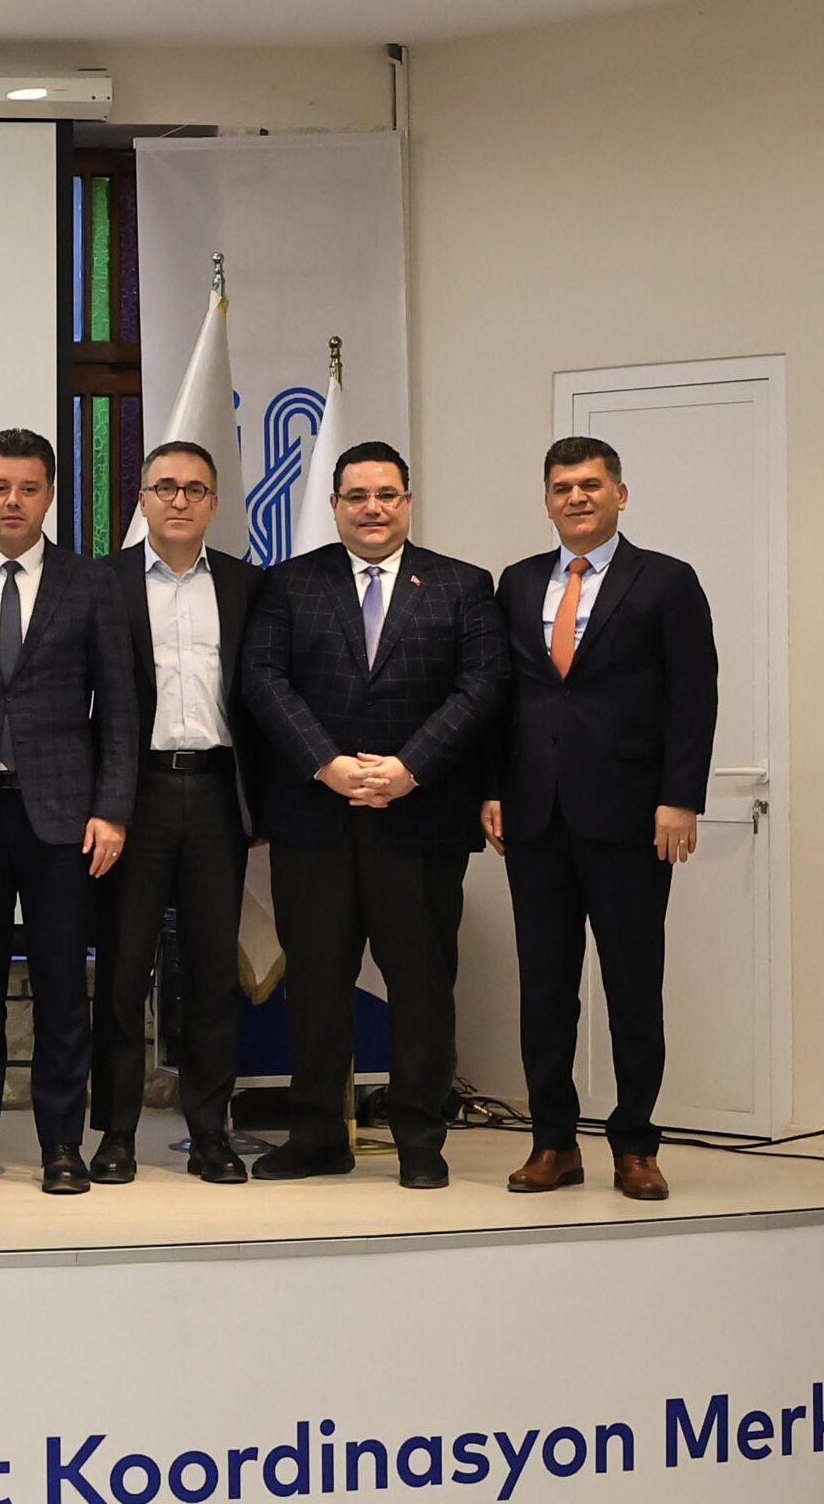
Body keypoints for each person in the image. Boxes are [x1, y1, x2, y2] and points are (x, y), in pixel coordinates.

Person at [240, 440, 505, 1190]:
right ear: (334, 505)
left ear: (408, 501)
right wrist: (326, 763)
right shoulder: (288, 583)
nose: (373, 508)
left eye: (387, 494)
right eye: (356, 495)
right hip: (313, 821)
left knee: (421, 987)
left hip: (419, 820)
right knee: (317, 986)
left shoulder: (462, 585)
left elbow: (482, 686)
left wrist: (408, 767)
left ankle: (421, 1139)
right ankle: (317, 1136)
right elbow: (263, 679)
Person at [485, 437, 717, 1201]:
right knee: (545, 991)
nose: (576, 497)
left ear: (621, 494)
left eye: (590, 484)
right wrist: (492, 788)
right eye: (562, 487)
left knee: (633, 990)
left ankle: (636, 1146)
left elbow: (693, 696)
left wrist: (681, 797)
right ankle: (553, 1142)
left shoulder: (667, 581)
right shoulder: (518, 582)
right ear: (547, 500)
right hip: (535, 820)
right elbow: (502, 697)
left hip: (630, 820)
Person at [0, 429, 135, 1196]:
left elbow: (119, 705)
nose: (13, 500)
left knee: (60, 989)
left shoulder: (91, 582)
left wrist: (112, 808)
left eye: (29, 488)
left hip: (64, 821)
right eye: (0, 486)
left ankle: (61, 1145)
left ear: (49, 495)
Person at [90, 440, 261, 1186]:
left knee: (212, 971)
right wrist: (101, 801)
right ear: (143, 500)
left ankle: (210, 1131)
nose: (180, 500)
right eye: (165, 487)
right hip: (135, 794)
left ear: (215, 503)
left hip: (219, 791)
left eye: (195, 488)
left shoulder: (249, 585)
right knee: (124, 970)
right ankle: (117, 1132)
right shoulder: (103, 583)